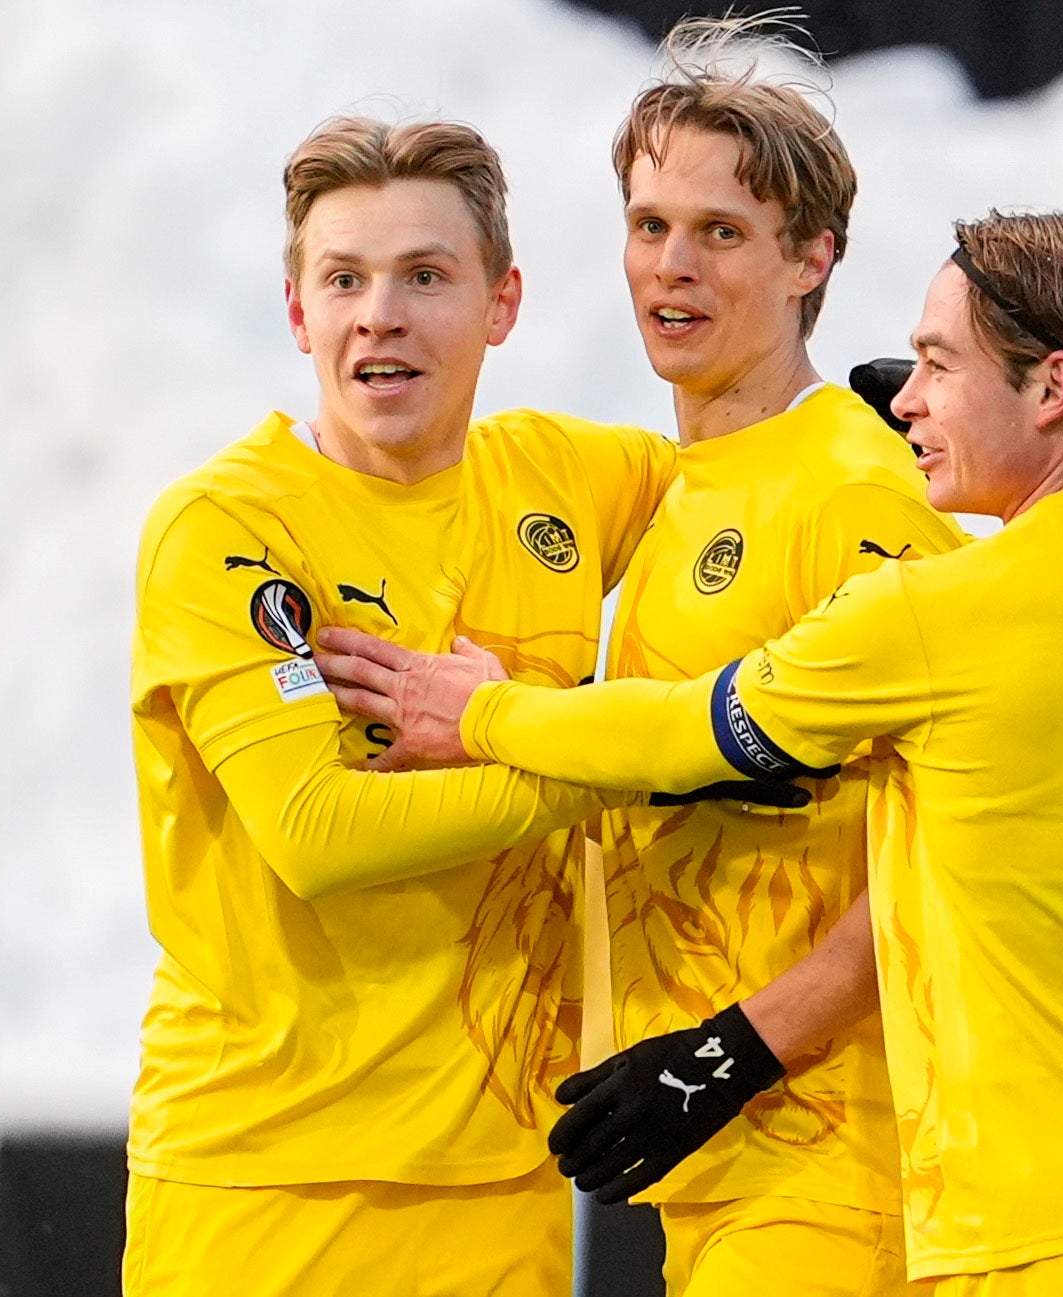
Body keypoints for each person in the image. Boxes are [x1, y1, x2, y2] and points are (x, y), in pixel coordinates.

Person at [318, 210, 1063, 1296]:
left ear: (1049, 389)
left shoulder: (944, 617)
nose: (903, 397)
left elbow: (683, 732)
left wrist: (483, 711)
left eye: (939, 366)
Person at [373, 19, 962, 1296]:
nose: (670, 268)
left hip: (831, 1162)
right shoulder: (693, 486)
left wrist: (726, 1056)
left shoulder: (849, 485)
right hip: (723, 1168)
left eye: (720, 232)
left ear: (814, 257)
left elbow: (937, 849)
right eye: (648, 226)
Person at [122, 115, 686, 1296]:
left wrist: (890, 424)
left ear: (501, 303)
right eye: (343, 279)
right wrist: (605, 752)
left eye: (425, 276)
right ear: (299, 315)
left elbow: (763, 487)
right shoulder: (227, 527)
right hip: (263, 1180)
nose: (380, 312)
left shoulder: (568, 481)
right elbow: (316, 832)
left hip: (502, 1186)